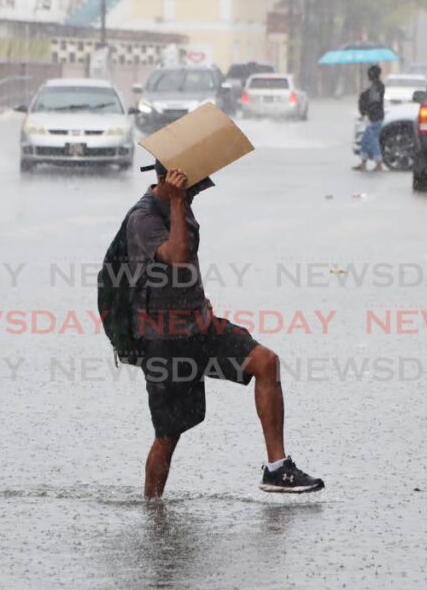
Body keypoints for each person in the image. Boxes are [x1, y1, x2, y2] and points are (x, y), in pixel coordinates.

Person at [126, 161, 325, 498]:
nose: (195, 191)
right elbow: (175, 255)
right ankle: (152, 508)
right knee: (168, 434)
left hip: (201, 327)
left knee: (266, 362)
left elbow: (185, 265)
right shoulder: (143, 218)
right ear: (168, 179)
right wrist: (176, 201)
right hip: (165, 339)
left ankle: (277, 469)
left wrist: (196, 299)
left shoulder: (181, 204)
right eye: (190, 185)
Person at [353, 65, 386, 172]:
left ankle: (378, 163)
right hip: (374, 117)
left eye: (369, 74)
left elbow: (374, 102)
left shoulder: (377, 87)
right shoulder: (375, 87)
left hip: (375, 118)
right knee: (365, 141)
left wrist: (364, 97)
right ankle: (363, 163)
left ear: (372, 75)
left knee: (373, 140)